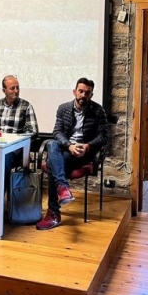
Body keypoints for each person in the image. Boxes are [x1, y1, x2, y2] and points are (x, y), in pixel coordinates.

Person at [36, 78, 108, 230]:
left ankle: (54, 213)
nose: (83, 95)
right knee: (51, 143)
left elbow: (103, 136)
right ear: (74, 91)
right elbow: (57, 132)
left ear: (91, 95)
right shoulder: (63, 108)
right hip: (66, 148)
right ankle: (63, 188)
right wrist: (69, 146)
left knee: (51, 164)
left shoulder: (98, 110)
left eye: (87, 93)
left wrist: (88, 146)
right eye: (80, 91)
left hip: (84, 152)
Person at [0, 75, 38, 226]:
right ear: (4, 90)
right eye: (12, 88)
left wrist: (14, 137)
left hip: (15, 150)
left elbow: (33, 131)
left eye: (17, 87)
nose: (16, 91)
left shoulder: (26, 106)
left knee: (3, 164)